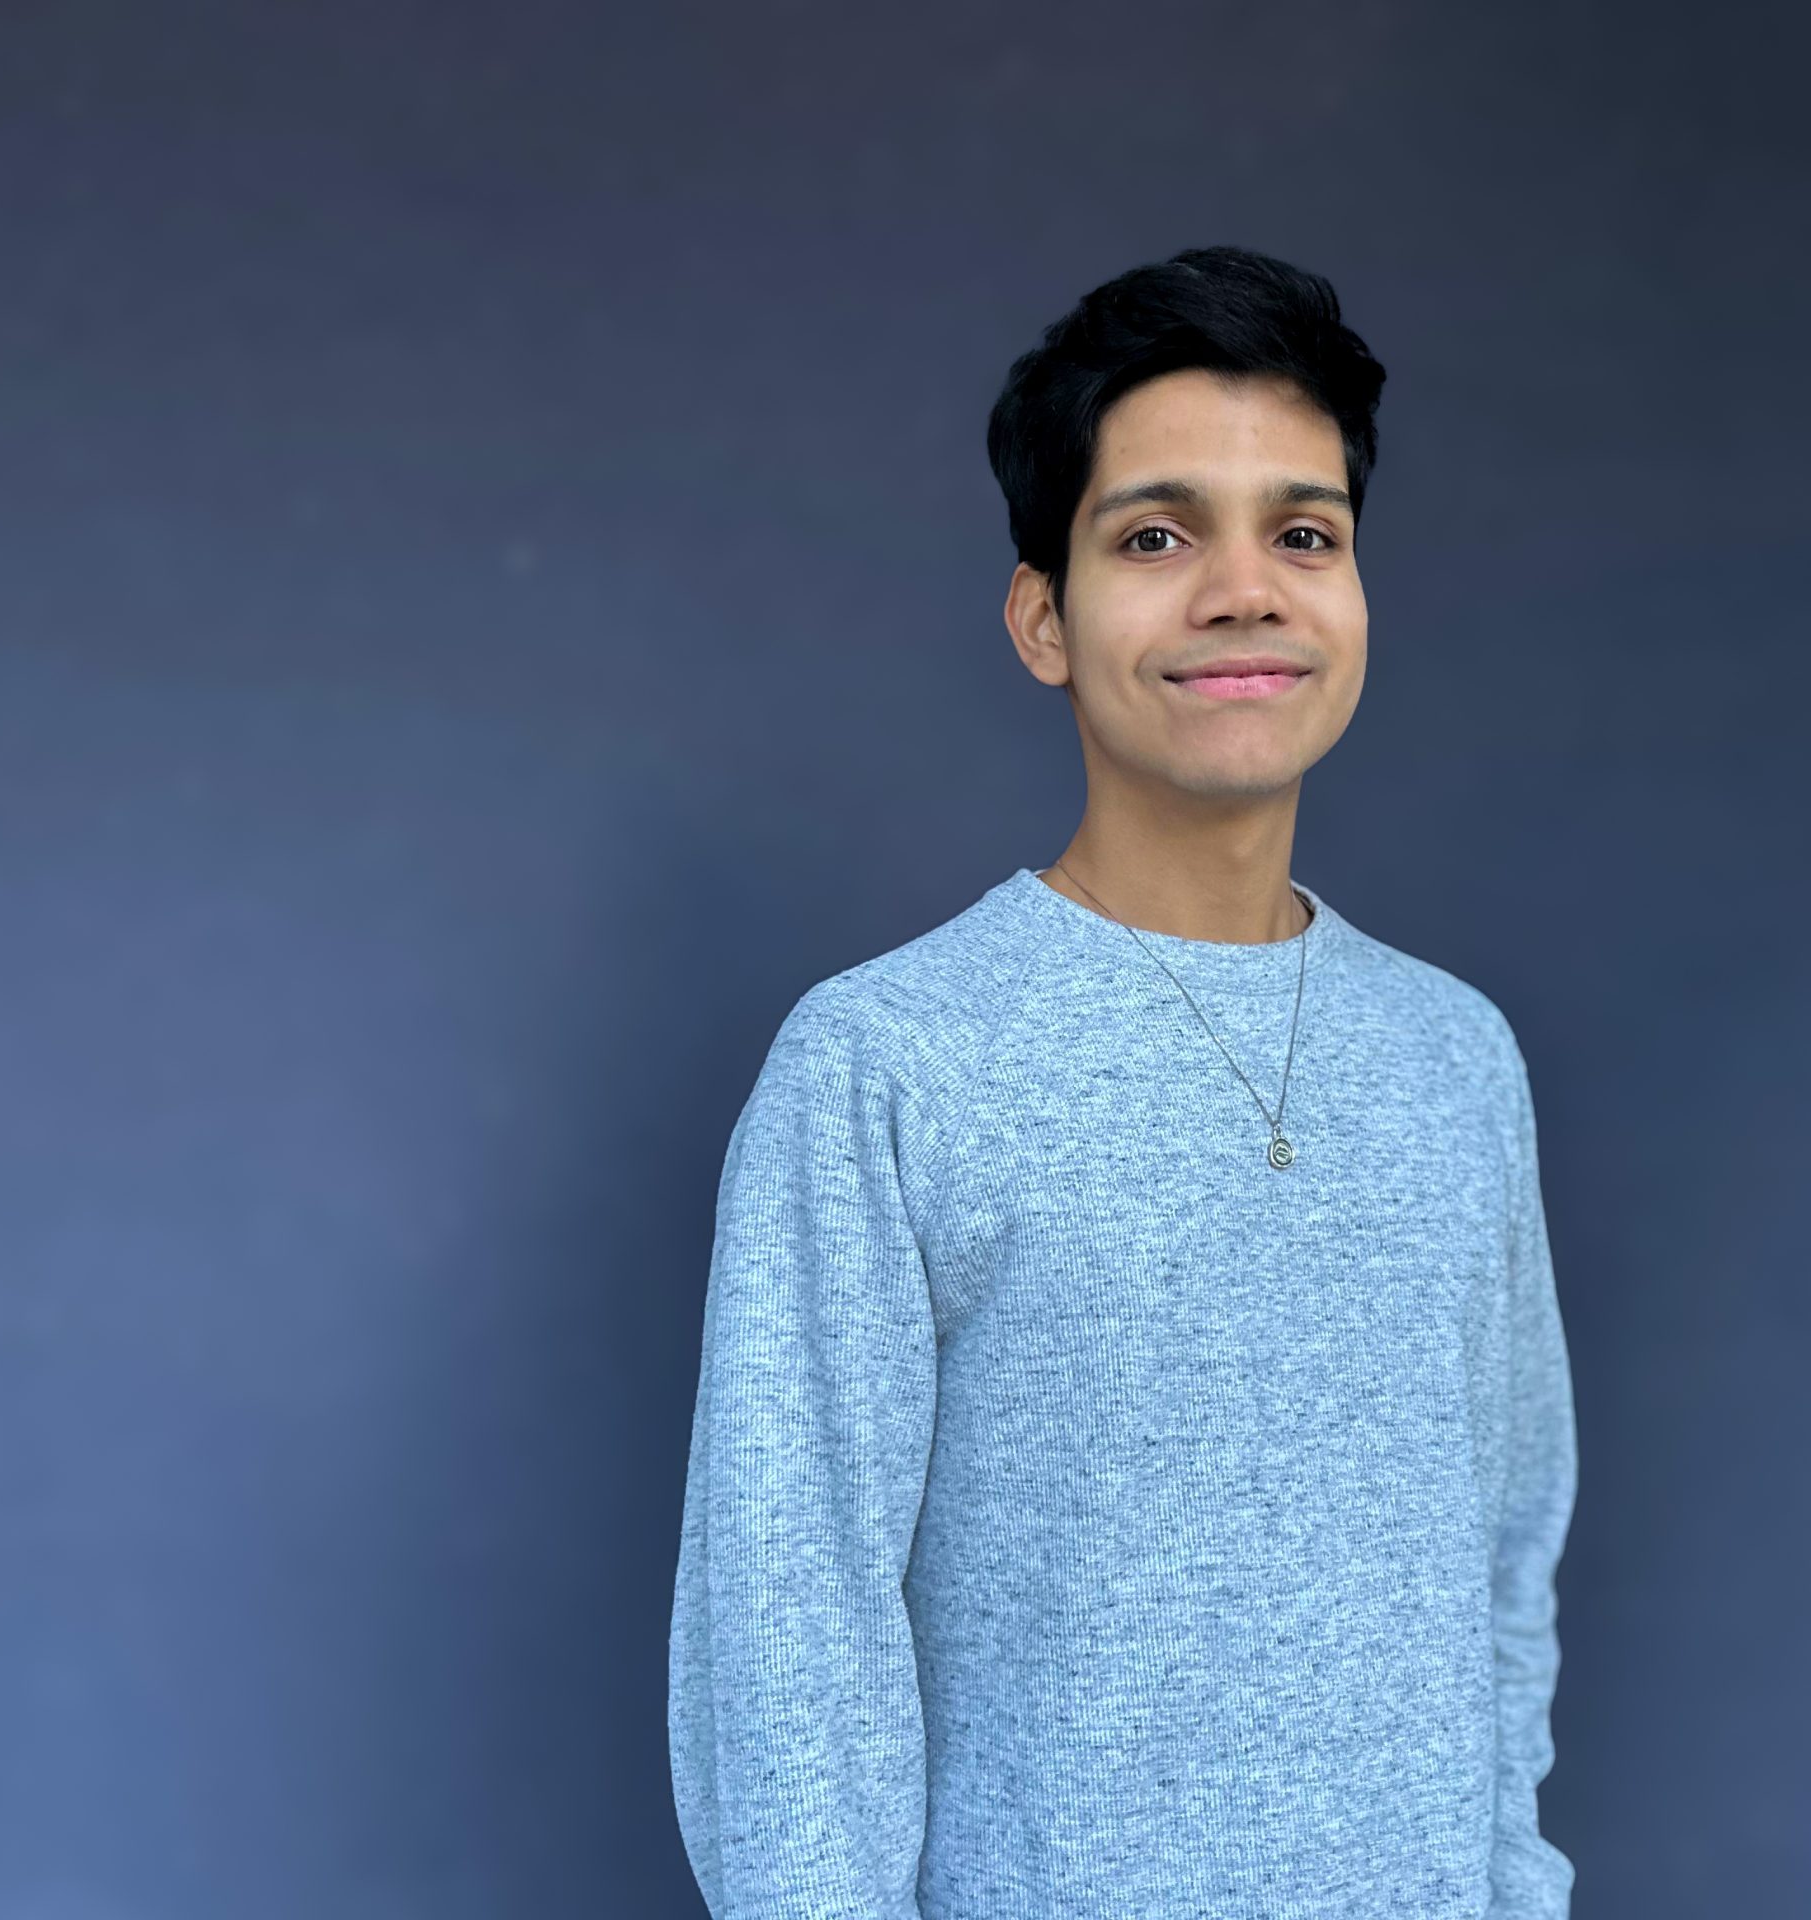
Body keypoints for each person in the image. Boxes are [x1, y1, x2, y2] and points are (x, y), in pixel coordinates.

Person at [666, 243, 1579, 1919]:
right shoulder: (888, 1064)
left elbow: (1503, 1564)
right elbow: (787, 1649)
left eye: (1304, 533)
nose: (1246, 590)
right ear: (1042, 618)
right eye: (1156, 535)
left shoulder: (1458, 1058)